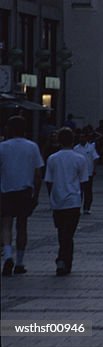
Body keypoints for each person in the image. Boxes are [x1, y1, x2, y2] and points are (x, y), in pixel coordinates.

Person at [0, 116, 44, 276]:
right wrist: (36, 194)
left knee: (6, 225)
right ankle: (19, 261)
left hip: (6, 190)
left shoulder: (2, 147)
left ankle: (7, 256)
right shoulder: (32, 147)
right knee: (22, 226)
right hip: (25, 191)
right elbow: (38, 174)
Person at [44, 128, 89, 275]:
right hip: (73, 201)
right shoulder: (80, 159)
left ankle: (63, 260)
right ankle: (64, 260)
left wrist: (52, 195)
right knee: (68, 234)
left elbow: (48, 181)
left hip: (57, 201)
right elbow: (83, 182)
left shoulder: (52, 158)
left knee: (62, 232)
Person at [72, 132, 99, 214]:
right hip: (78, 173)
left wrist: (94, 169)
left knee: (88, 191)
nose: (81, 139)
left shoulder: (90, 147)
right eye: (80, 137)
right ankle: (77, 206)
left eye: (83, 137)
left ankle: (87, 207)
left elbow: (95, 158)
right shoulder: (76, 148)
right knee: (78, 190)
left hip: (88, 172)